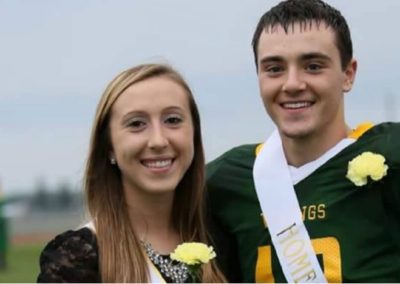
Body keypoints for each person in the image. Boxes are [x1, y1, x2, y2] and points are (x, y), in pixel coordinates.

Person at [207, 0, 400, 282]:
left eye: (312, 66)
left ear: (348, 74)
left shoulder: (390, 155)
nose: (293, 84)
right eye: (274, 69)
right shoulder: (226, 180)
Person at [37, 63, 226, 283]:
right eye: (136, 124)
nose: (158, 141)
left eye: (172, 120)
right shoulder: (78, 258)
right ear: (108, 146)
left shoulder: (221, 240)